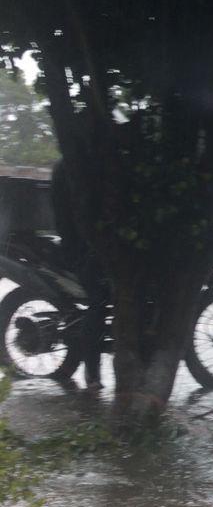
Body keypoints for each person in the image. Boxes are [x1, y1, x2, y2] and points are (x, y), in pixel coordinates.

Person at [51, 157, 105, 392]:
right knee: (100, 300)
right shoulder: (72, 168)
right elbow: (82, 216)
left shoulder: (88, 163)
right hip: (81, 249)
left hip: (95, 246)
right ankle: (92, 372)